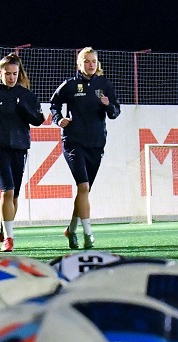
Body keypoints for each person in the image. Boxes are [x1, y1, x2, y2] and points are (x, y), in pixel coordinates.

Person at [50, 47, 121, 250]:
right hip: (73, 143)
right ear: (79, 64)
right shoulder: (70, 85)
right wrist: (59, 119)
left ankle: (71, 230)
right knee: (83, 187)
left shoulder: (104, 84)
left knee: (85, 191)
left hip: (96, 143)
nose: (91, 65)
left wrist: (108, 105)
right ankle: (88, 234)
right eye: (87, 61)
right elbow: (54, 104)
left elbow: (115, 112)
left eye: (94, 61)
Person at [0, 53, 45, 252]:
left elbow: (39, 119)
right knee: (7, 190)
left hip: (19, 147)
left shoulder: (27, 95)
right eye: (7, 73)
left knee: (14, 194)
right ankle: (9, 238)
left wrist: (24, 109)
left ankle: (4, 226)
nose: (11, 77)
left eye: (14, 73)